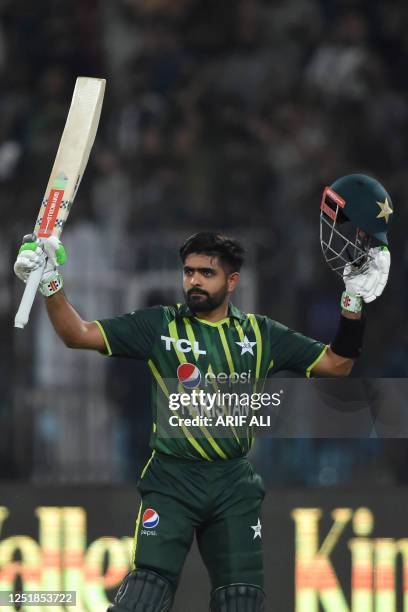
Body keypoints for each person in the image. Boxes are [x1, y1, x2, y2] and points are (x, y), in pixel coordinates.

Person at [14, 175, 391, 612]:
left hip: (233, 481)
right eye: (189, 272)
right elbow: (76, 334)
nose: (194, 281)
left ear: (231, 282)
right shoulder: (160, 325)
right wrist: (51, 283)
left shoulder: (260, 334)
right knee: (144, 595)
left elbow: (337, 364)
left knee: (242, 601)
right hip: (172, 478)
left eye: (206, 274)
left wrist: (352, 307)